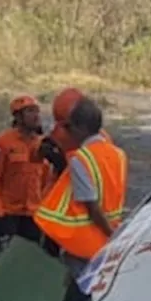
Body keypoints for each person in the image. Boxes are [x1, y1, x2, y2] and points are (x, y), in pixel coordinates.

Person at [33, 96, 128, 279]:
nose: (69, 134)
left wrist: (112, 235)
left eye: (71, 128)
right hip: (109, 233)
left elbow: (91, 207)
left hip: (85, 241)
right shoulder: (119, 154)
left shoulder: (81, 159)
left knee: (81, 290)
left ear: (81, 128)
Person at [0, 95, 47, 254]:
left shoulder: (43, 145)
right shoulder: (3, 143)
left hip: (33, 213)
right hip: (8, 213)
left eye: (37, 111)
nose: (36, 116)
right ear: (18, 117)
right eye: (30, 111)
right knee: (5, 258)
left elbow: (46, 180)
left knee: (28, 259)